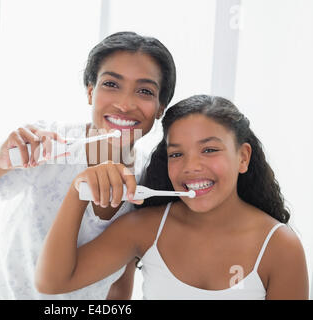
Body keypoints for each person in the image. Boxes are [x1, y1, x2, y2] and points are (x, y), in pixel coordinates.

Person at [0, 31, 177, 299]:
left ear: (160, 108)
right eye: (111, 84)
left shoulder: (149, 178)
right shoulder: (44, 147)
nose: (124, 104)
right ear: (90, 92)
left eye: (145, 91)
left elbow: (120, 281)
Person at [35, 94, 309, 299]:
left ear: (243, 157)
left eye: (210, 150)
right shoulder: (146, 228)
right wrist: (77, 192)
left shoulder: (279, 246)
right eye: (176, 154)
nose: (191, 167)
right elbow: (53, 282)